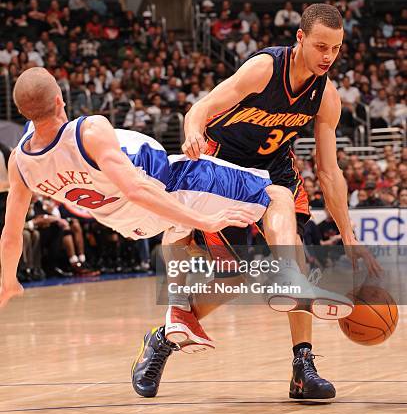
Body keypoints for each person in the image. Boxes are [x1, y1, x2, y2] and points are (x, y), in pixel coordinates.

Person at [133, 3, 378, 401]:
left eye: (336, 49)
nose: (328, 57)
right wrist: (193, 130)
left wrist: (349, 235)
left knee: (294, 252)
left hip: (274, 171)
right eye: (321, 47)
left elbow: (330, 172)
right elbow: (202, 107)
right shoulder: (264, 69)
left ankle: (303, 366)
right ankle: (162, 338)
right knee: (234, 277)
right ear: (300, 39)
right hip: (222, 166)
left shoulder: (326, 95)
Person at [0, 67, 335, 315]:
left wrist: (8, 279)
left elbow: (11, 235)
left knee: (181, 232)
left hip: (128, 224)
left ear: (22, 112)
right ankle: (288, 276)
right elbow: (137, 189)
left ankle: (177, 314)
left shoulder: (20, 163)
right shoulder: (88, 130)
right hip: (169, 185)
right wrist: (204, 220)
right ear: (60, 99)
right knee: (276, 193)